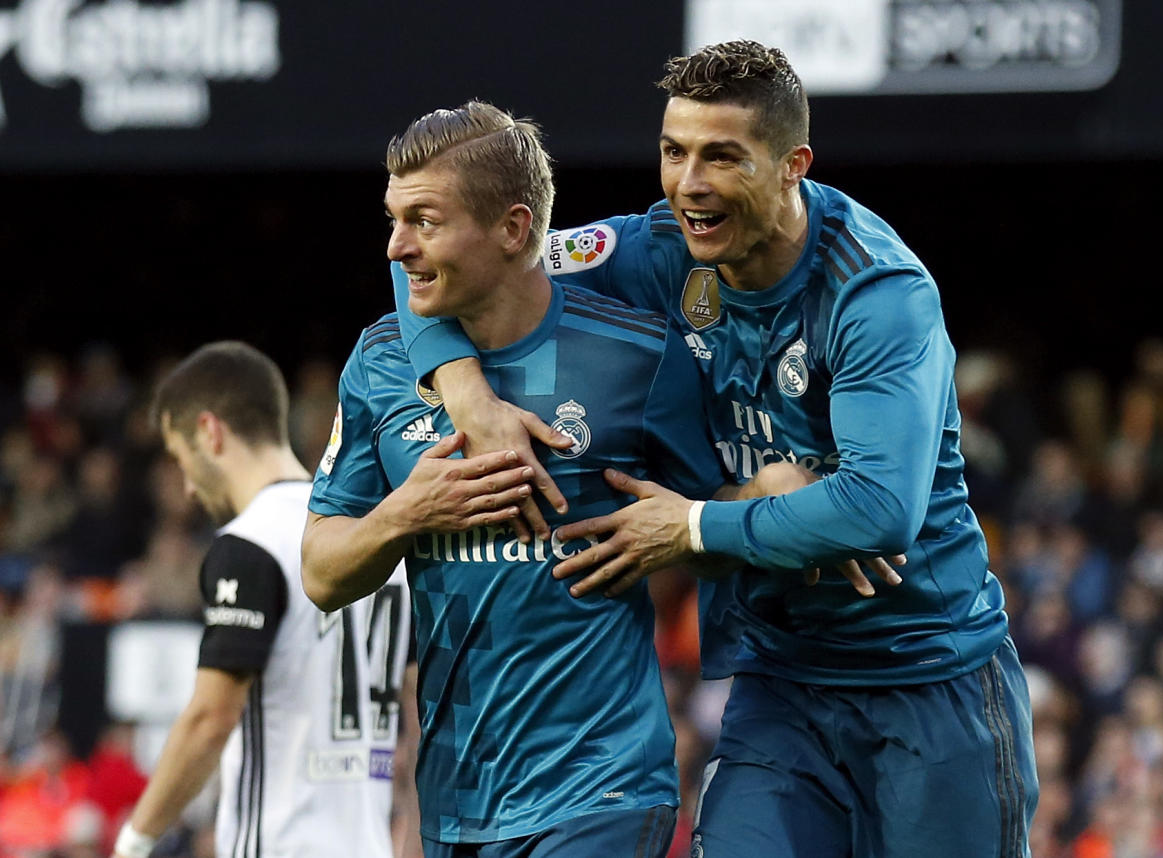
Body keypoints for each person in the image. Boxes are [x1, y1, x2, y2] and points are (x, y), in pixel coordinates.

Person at [395, 41, 1039, 858]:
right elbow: (446, 256)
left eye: (721, 157)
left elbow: (878, 511)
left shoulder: (875, 292)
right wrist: (468, 395)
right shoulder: (660, 252)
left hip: (927, 678)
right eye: (674, 151)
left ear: (790, 165)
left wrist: (695, 526)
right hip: (782, 689)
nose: (689, 183)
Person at [300, 101, 745, 858]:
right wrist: (403, 515)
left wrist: (731, 516)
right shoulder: (379, 363)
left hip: (602, 784)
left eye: (425, 222)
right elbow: (320, 570)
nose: (396, 247)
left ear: (512, 229)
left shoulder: (638, 356)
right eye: (393, 218)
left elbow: (709, 531)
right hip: (456, 797)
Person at [111, 342, 411, 858]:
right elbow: (418, 716)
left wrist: (134, 841)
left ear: (210, 431)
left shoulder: (250, 542)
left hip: (281, 842)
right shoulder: (371, 537)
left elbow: (211, 717)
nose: (186, 486)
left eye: (182, 458)